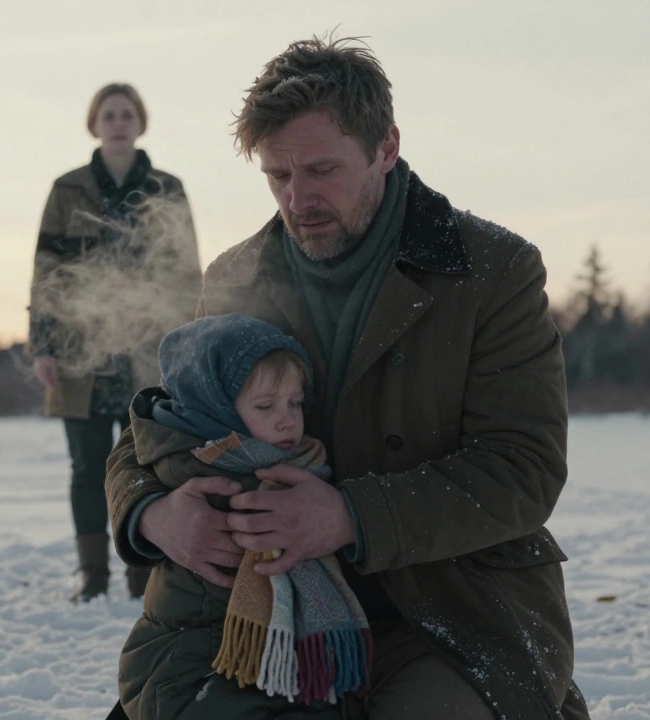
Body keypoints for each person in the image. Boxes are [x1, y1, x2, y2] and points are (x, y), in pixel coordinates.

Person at [106, 37, 588, 719]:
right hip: (269, 614)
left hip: (451, 615)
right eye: (277, 175)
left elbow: (524, 470)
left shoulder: (493, 272)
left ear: (385, 148)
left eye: (322, 169)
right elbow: (155, 428)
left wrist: (348, 515)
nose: (298, 199)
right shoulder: (237, 276)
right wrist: (153, 514)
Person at [118, 313, 371, 715]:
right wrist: (146, 512)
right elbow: (131, 455)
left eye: (296, 403)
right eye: (266, 405)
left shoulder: (301, 465)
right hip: (196, 659)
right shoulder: (209, 473)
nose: (288, 419)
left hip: (261, 661)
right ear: (215, 409)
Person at [28, 83, 201, 604]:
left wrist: (189, 346)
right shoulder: (68, 190)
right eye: (109, 114)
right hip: (81, 350)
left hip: (147, 353)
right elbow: (45, 271)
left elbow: (187, 273)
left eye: (127, 113)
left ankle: (141, 573)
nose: (119, 122)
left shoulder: (166, 188)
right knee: (87, 468)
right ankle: (93, 575)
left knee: (148, 464)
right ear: (94, 122)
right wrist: (43, 345)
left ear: (140, 121)